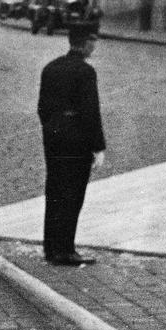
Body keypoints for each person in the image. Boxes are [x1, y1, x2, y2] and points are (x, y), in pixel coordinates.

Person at [37, 25, 107, 267]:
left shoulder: (51, 68)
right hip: (77, 139)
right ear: (85, 43)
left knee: (55, 190)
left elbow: (42, 108)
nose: (94, 45)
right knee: (73, 193)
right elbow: (90, 111)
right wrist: (98, 146)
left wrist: (52, 129)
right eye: (93, 41)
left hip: (53, 136)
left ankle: (51, 247)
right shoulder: (85, 72)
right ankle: (65, 249)